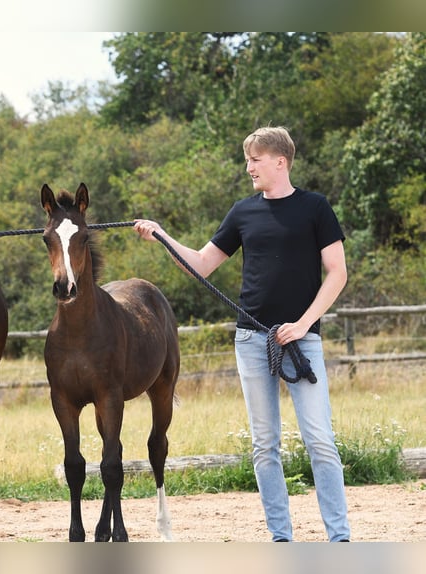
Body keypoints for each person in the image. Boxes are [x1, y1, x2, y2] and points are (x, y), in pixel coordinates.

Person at [134, 126, 350, 542]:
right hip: (253, 341)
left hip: (302, 342)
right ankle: (280, 540)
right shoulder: (242, 212)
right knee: (264, 445)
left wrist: (304, 324)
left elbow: (337, 273)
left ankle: (339, 541)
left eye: (255, 159)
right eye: (248, 159)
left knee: (320, 440)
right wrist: (162, 234)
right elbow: (200, 263)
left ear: (279, 162)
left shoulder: (315, 208)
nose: (248, 166)